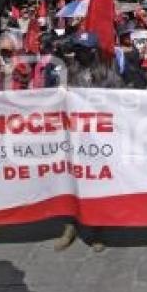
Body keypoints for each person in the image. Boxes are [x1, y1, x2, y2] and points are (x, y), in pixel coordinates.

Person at [53, 31, 123, 253]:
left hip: (97, 138)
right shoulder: (68, 71)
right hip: (72, 137)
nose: (79, 54)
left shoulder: (107, 73)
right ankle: (70, 226)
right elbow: (56, 98)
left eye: (83, 50)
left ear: (92, 51)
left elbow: (121, 99)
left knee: (95, 183)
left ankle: (96, 230)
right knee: (69, 180)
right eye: (78, 49)